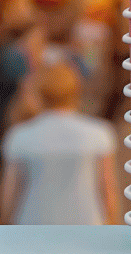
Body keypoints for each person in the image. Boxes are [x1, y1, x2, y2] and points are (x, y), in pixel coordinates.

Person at [0, 61, 120, 225]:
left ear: (38, 93)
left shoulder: (19, 136)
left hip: (31, 227)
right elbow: (108, 191)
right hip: (87, 227)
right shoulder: (100, 133)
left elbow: (9, 197)